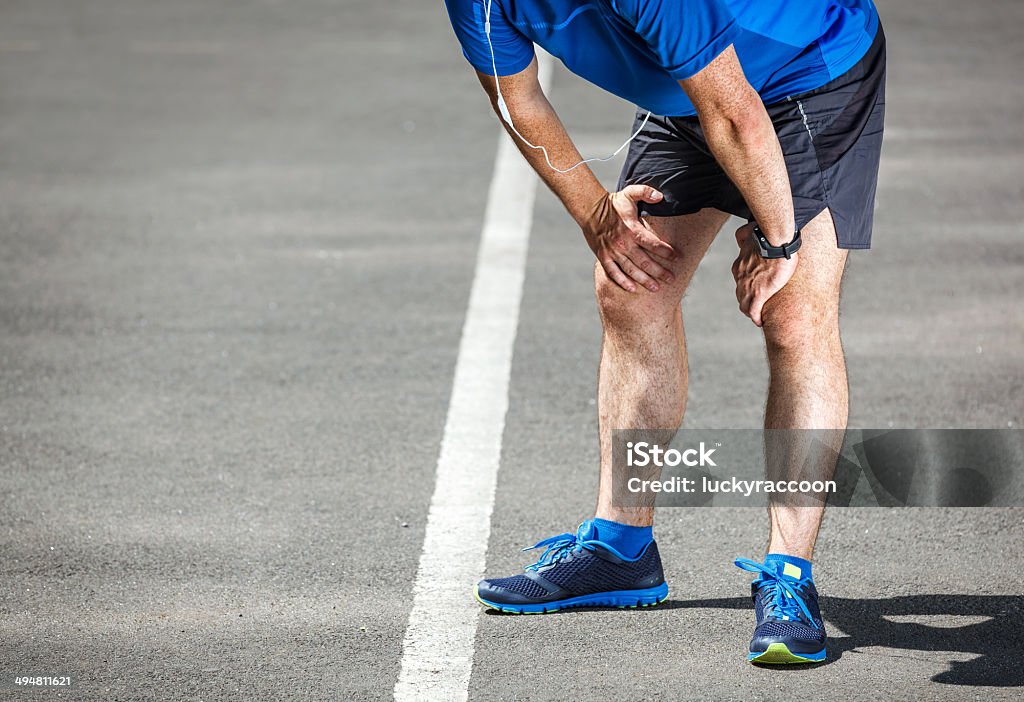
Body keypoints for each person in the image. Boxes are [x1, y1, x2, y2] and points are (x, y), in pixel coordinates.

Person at [443, 0, 885, 664]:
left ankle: (790, 575)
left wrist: (777, 236)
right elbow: (518, 98)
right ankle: (621, 550)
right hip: (694, 88)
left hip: (808, 76)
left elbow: (735, 112)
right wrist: (599, 217)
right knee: (631, 287)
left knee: (793, 311)